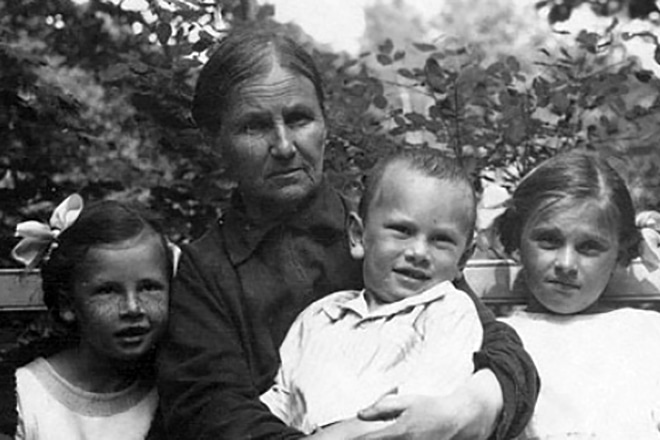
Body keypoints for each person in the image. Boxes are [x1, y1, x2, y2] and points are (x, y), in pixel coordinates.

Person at [157, 24, 539, 440]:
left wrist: (469, 405)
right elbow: (211, 410)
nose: (284, 146)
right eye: (254, 126)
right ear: (215, 140)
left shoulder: (390, 236)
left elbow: (497, 347)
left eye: (300, 119)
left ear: (325, 123)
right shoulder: (207, 272)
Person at [260, 149, 485, 437]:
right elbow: (280, 399)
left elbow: (416, 417)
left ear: (463, 259)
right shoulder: (321, 315)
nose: (418, 252)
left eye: (441, 240)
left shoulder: (448, 311)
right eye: (402, 230)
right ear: (358, 235)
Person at [495, 150, 660, 439]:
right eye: (549, 240)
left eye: (589, 247)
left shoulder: (647, 335)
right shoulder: (500, 339)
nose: (566, 264)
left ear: (620, 253)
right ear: (517, 239)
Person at [3, 194, 174, 440]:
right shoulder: (24, 397)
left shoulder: (179, 389)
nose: (133, 308)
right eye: (108, 291)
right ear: (68, 304)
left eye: (149, 287)